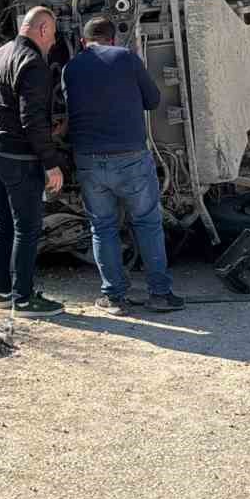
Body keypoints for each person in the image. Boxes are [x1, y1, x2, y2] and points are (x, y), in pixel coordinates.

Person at [62, 17, 182, 314]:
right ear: (113, 39)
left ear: (82, 41)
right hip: (130, 157)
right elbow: (153, 100)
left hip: (88, 160)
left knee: (102, 227)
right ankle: (159, 295)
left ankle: (114, 298)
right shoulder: (126, 58)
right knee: (147, 223)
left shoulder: (71, 68)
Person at [0, 6, 65, 317]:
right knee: (27, 228)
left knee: (2, 224)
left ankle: (3, 294)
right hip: (17, 157)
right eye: (53, 36)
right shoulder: (32, 63)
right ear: (42, 30)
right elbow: (31, 120)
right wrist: (51, 163)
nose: (53, 43)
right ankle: (24, 299)